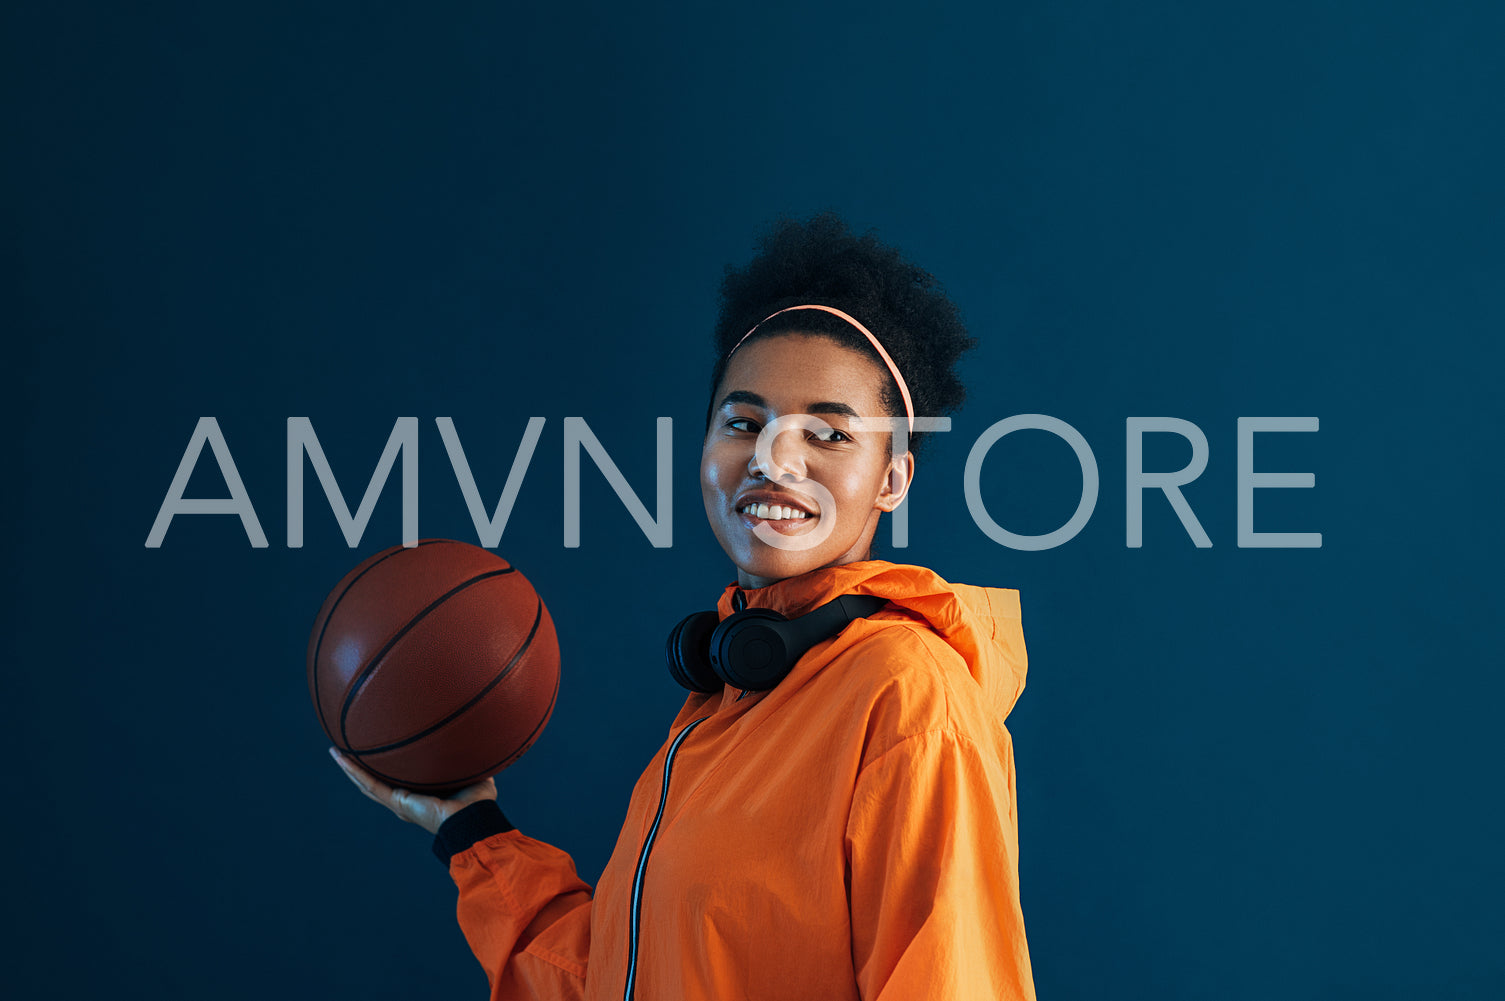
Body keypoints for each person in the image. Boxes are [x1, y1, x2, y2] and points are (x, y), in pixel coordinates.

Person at [331, 212, 1038, 1000]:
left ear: (891, 479)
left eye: (829, 434)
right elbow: (618, 980)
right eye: (744, 421)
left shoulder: (907, 697)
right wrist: (470, 828)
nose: (774, 457)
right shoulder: (722, 699)